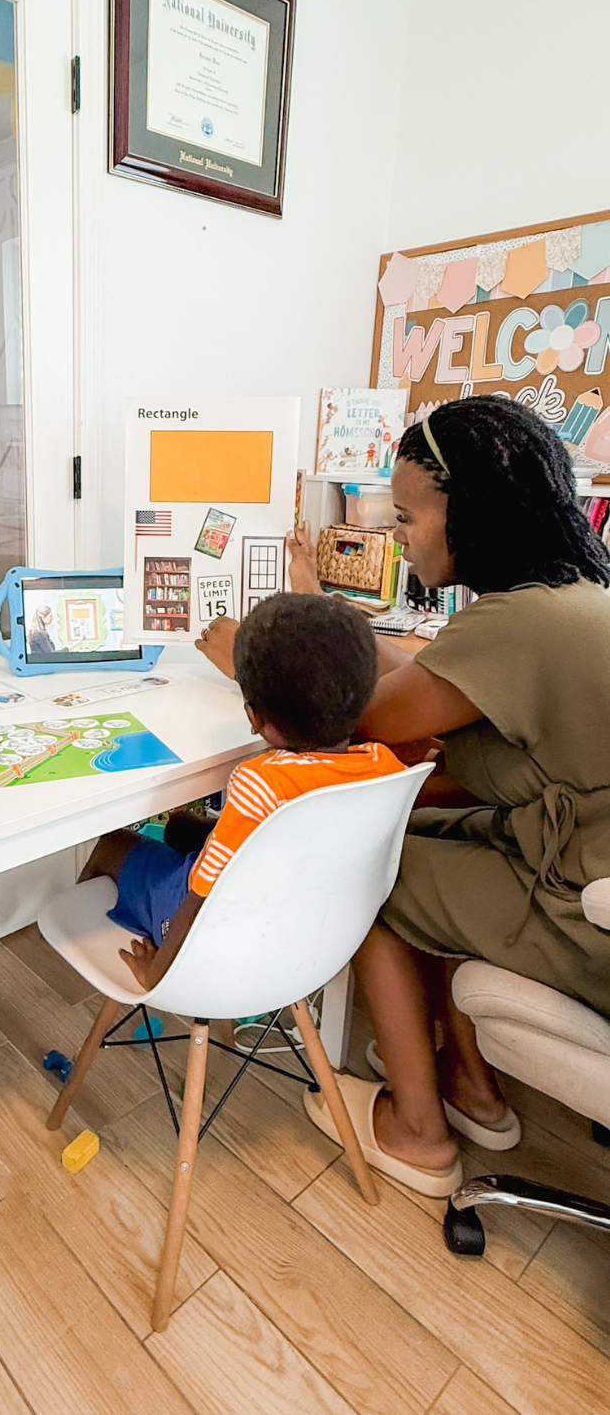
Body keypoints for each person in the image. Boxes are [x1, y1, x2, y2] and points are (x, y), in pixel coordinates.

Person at [196, 395, 610, 1196]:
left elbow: (347, 720)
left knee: (366, 869)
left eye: (407, 518)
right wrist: (321, 610)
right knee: (422, 831)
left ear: (471, 512)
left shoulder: (517, 624)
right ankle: (472, 1087)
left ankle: (419, 1130)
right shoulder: (562, 602)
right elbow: (420, 665)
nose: (396, 538)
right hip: (581, 868)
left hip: (578, 904)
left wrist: (253, 656)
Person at [80, 592, 404, 992]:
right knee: (179, 827)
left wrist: (155, 974)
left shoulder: (258, 782)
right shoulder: (384, 765)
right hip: (307, 932)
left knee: (112, 843)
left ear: (255, 718)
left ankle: (76, 940)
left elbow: (198, 899)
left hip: (217, 941)